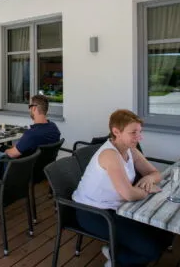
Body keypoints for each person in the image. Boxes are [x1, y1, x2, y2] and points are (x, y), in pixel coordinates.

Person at [72, 109, 172, 267]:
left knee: (166, 234)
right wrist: (149, 189)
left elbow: (156, 173)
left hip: (119, 207)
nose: (139, 137)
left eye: (139, 131)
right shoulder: (110, 155)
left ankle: (117, 251)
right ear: (116, 132)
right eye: (133, 132)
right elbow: (129, 195)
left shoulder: (130, 149)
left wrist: (148, 178)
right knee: (152, 250)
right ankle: (115, 257)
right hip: (93, 213)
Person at [0, 94, 61, 179]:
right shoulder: (54, 128)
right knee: (3, 147)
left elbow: (12, 154)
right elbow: (30, 147)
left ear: (34, 108)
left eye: (29, 106)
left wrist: (8, 151)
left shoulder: (31, 134)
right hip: (41, 169)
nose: (29, 110)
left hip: (20, 170)